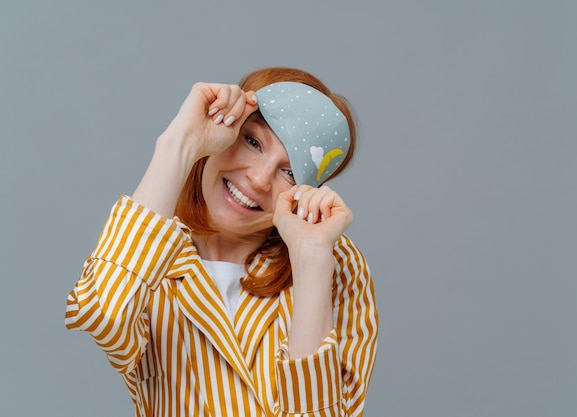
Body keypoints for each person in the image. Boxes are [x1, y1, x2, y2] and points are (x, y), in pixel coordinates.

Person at [65, 66, 378, 416]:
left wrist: (312, 261)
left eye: (290, 172)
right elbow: (104, 314)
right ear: (224, 129)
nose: (259, 179)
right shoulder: (151, 251)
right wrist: (179, 143)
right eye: (252, 141)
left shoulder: (333, 262)